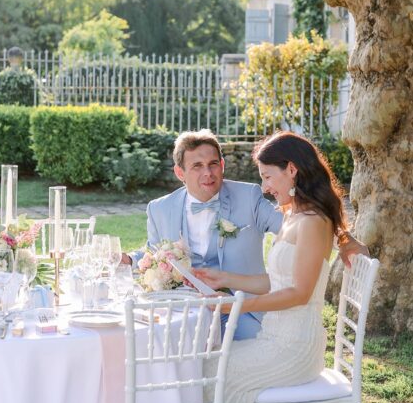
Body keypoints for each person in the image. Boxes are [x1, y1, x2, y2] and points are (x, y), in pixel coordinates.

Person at [192, 131, 352, 403]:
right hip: (273, 338)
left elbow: (299, 293)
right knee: (210, 371)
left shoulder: (315, 221)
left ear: (292, 170)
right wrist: (224, 281)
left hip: (294, 346)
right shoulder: (294, 215)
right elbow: (273, 281)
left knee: (223, 381)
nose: (264, 187)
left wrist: (238, 307)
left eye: (267, 177)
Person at [136, 130, 362, 341]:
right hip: (186, 311)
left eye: (213, 164)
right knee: (168, 350)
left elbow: (297, 226)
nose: (208, 173)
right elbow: (153, 254)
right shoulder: (160, 209)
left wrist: (342, 238)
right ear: (179, 173)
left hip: (247, 315)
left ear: (222, 165)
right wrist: (127, 259)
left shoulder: (248, 197)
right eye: (197, 166)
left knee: (203, 370)